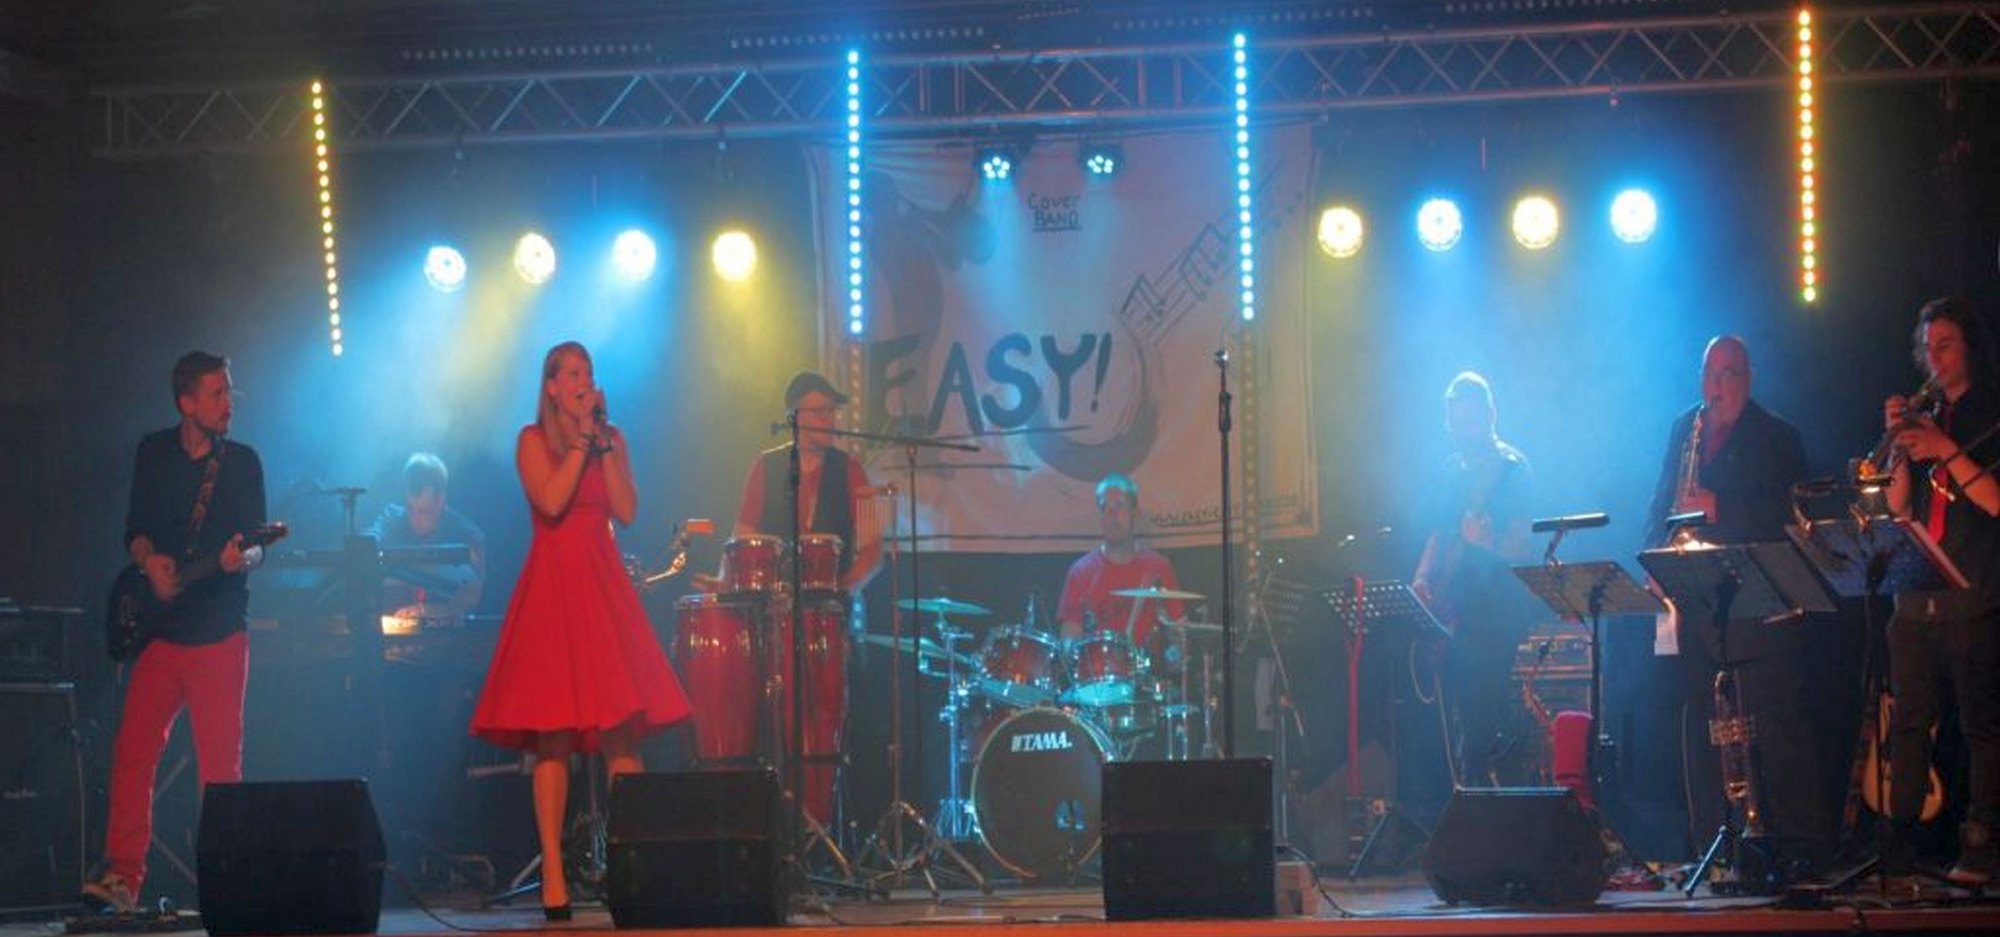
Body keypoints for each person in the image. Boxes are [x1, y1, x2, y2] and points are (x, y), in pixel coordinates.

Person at [469, 342, 691, 918]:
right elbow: (551, 500)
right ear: (550, 386)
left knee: (621, 732)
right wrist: (579, 444)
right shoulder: (532, 440)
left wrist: (604, 445)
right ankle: (553, 870)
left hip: (601, 584)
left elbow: (627, 510)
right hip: (553, 588)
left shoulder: (610, 438)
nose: (582, 381)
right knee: (554, 736)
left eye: (587, 372)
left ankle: (631, 862)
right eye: (571, 373)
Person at [84, 352, 268, 913]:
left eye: (229, 391)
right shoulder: (153, 452)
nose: (228, 403)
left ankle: (227, 884)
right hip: (161, 635)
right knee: (133, 753)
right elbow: (135, 530)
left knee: (220, 769)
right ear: (186, 403)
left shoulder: (242, 463)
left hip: (219, 634)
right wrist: (149, 562)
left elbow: (258, 546)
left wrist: (241, 558)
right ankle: (122, 878)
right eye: (217, 393)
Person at [1642, 335, 1827, 870]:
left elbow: (1791, 517)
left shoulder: (1778, 436)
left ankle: (1797, 848)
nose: (1716, 386)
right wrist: (1655, 557)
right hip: (1696, 599)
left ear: (1748, 378)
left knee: (1775, 728)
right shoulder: (1685, 428)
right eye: (1709, 373)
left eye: (1728, 374)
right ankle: (1713, 843)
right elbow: (1660, 501)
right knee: (1703, 726)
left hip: (1759, 606)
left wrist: (1719, 507)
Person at [1879, 297, 2000, 885]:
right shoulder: (1922, 414)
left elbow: (1995, 501)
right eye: (1928, 348)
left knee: (1981, 725)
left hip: (1975, 588)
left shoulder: (1990, 411)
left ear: (1969, 347)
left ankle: (1981, 845)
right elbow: (1898, 508)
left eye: (1945, 345)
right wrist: (1898, 448)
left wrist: (1945, 449)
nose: (1935, 359)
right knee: (1908, 723)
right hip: (1917, 588)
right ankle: (1900, 846)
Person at [1410, 371, 1536, 787]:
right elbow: (1438, 534)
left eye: (1469, 421)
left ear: (1490, 416)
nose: (1462, 432)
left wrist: (1489, 543)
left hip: (1494, 619)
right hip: (1453, 616)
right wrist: (1422, 579)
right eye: (1455, 422)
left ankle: (1491, 809)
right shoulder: (1450, 472)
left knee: (1485, 729)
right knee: (1459, 731)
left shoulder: (1512, 469)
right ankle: (1465, 802)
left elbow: (1523, 546)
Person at [728, 370, 883, 592]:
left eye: (832, 411)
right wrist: (725, 583)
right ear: (795, 417)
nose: (830, 419)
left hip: (831, 604)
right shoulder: (765, 466)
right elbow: (741, 540)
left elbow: (873, 549)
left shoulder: (852, 469)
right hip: (773, 602)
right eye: (820, 411)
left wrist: (844, 589)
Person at [1056, 473, 1185, 657]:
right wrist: (1071, 651)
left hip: (1148, 672)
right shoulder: (1080, 572)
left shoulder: (1159, 568)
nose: (1111, 514)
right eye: (1105, 507)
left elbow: (1179, 635)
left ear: (1135, 513)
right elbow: (1069, 641)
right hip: (1098, 673)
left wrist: (1176, 651)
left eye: (1119, 506)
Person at [366, 451, 486, 623]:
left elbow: (473, 596)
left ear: (440, 500)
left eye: (423, 511)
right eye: (410, 508)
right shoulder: (391, 521)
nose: (414, 518)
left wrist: (433, 610)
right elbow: (366, 548)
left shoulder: (468, 537)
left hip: (445, 635)